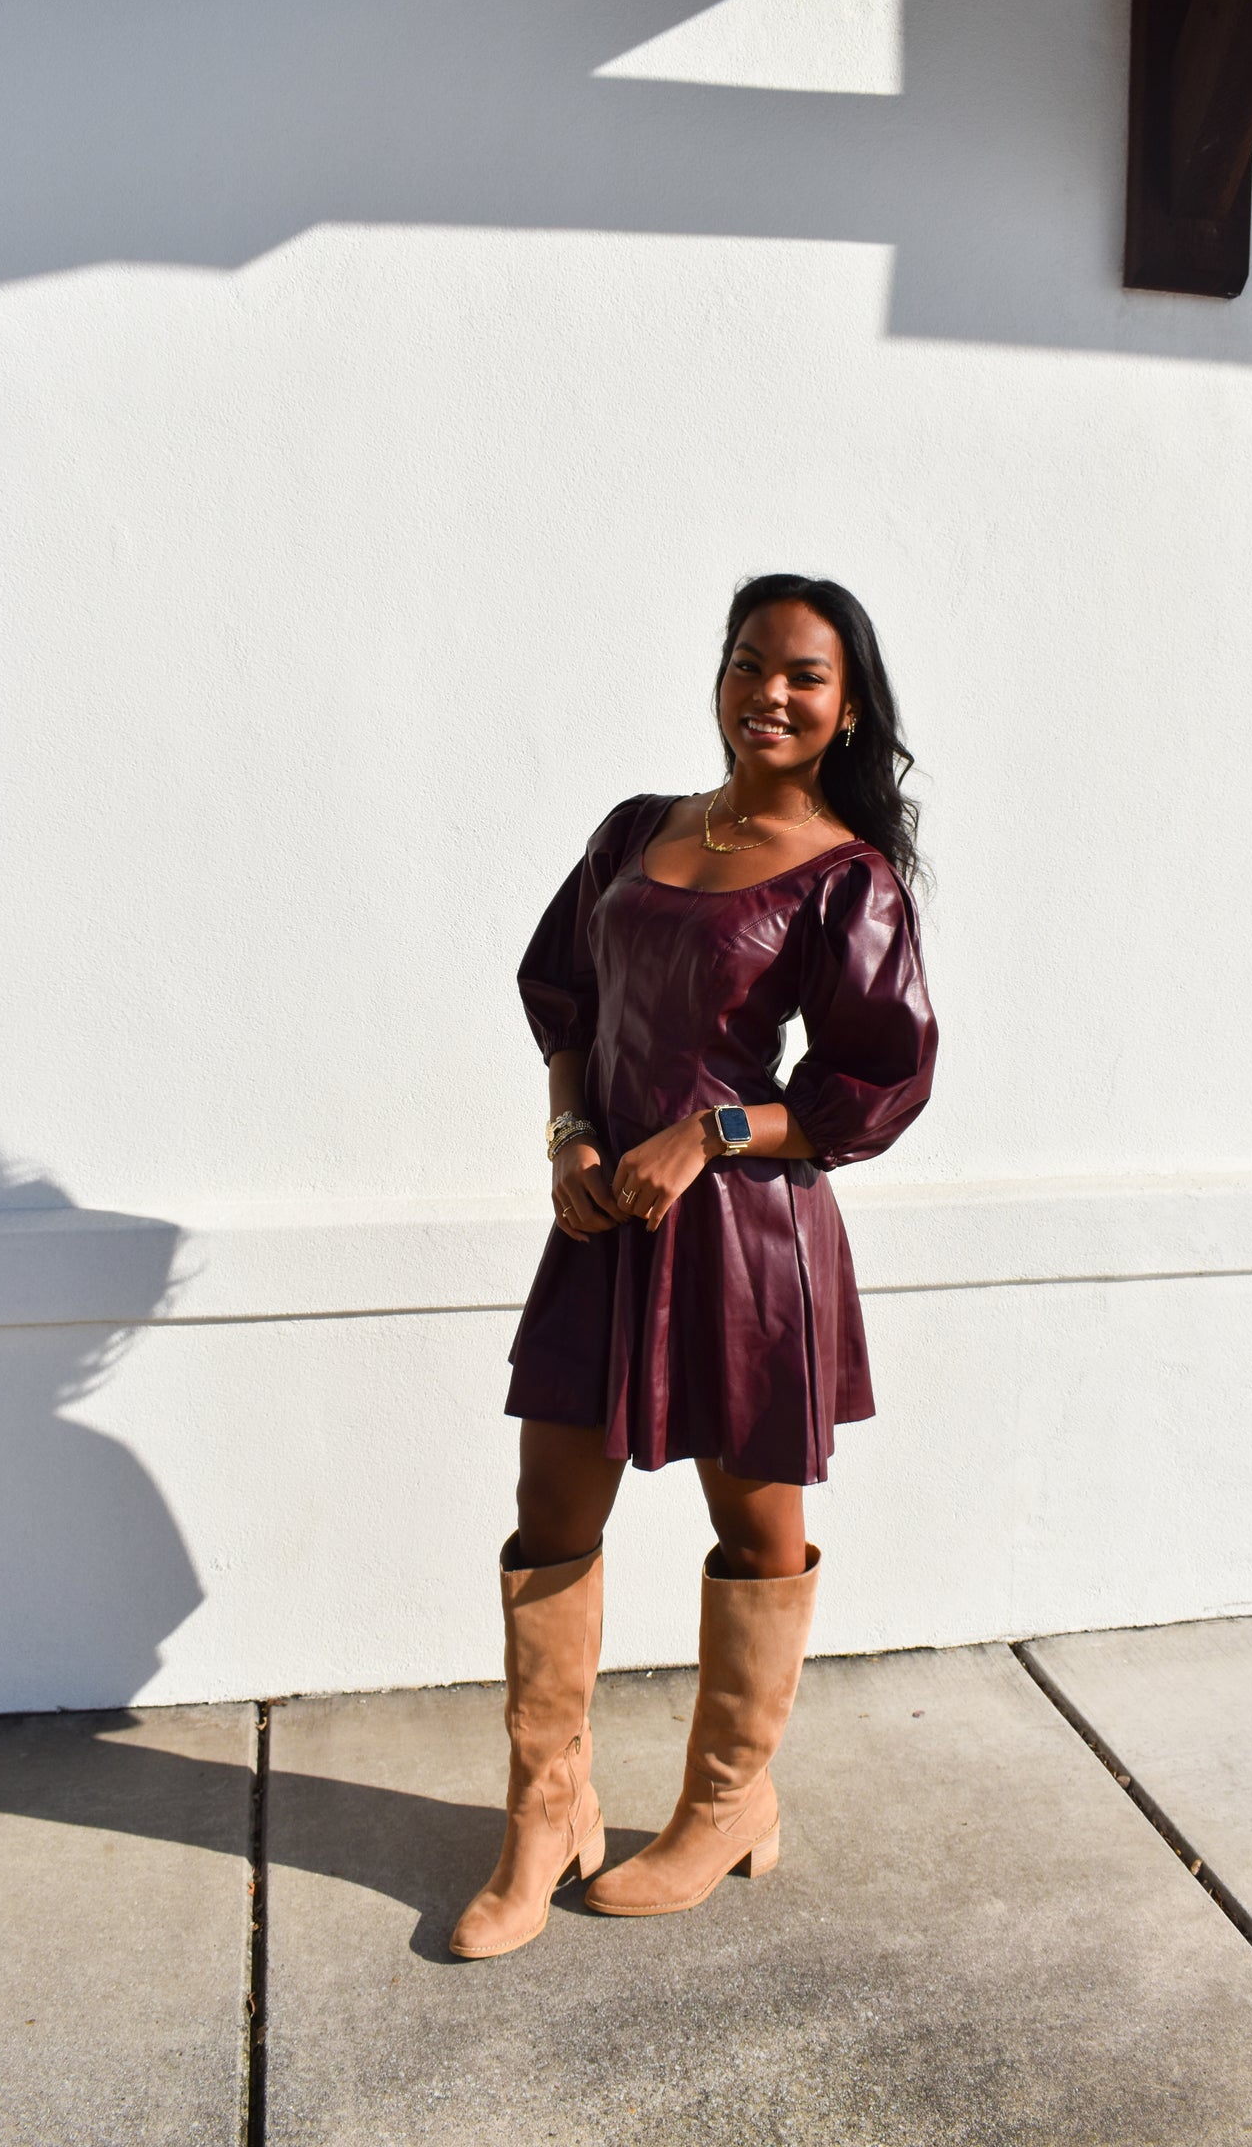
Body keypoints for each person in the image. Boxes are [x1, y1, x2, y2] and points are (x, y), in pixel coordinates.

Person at [449, 574, 938, 1960]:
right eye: (747, 664)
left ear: (845, 710)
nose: (766, 694)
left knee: (756, 1528)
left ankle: (728, 1800)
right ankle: (548, 1812)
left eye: (802, 676)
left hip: (744, 1239)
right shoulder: (633, 834)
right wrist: (566, 1136)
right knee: (551, 1507)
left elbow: (874, 1087)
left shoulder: (849, 876)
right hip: (602, 1216)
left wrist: (710, 1130)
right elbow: (565, 999)